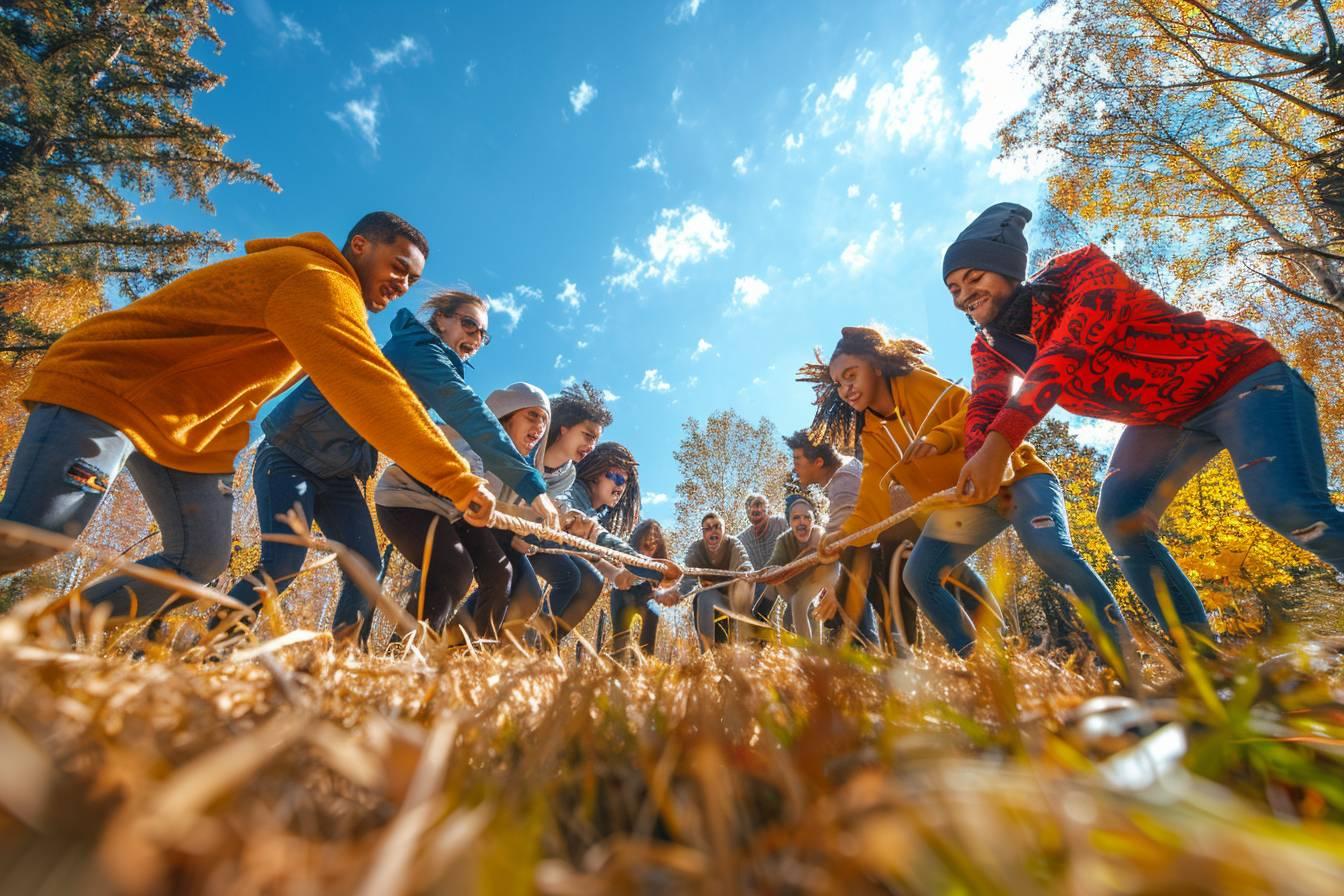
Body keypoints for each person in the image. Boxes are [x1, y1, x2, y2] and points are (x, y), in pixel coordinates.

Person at [0, 212, 494, 627]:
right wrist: (454, 479)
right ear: (360, 246)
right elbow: (370, 387)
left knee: (199, 558)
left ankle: (46, 640)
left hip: (188, 432)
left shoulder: (327, 295)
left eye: (411, 279)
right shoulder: (317, 281)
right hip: (111, 385)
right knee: (34, 532)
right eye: (397, 267)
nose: (402, 285)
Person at [945, 202, 1344, 643]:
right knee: (1121, 518)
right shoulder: (990, 348)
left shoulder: (1080, 271)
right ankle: (1201, 664)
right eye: (954, 289)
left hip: (1239, 377)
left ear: (1006, 269)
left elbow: (1065, 355)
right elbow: (984, 405)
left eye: (973, 279)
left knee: (1287, 506)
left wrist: (1000, 446)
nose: (964, 296)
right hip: (1166, 418)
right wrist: (979, 462)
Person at [230, 288, 557, 640]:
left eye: (482, 334)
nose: (476, 338)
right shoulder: (417, 351)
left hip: (338, 474)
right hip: (291, 453)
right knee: (282, 561)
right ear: (441, 319)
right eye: (468, 324)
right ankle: (215, 644)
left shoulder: (433, 365)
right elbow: (469, 413)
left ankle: (344, 660)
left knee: (365, 569)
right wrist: (532, 486)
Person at [808, 327, 1130, 661]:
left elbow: (979, 409)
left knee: (1053, 551)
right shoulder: (873, 437)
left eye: (851, 375)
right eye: (839, 383)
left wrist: (941, 437)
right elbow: (871, 506)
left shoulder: (918, 383)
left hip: (1016, 480)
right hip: (967, 505)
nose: (845, 389)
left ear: (875, 365)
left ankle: (1122, 654)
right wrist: (842, 538)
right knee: (919, 575)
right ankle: (981, 664)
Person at [780, 429, 995, 650]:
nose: (794, 467)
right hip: (907, 534)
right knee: (940, 577)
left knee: (868, 578)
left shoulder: (843, 482)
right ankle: (987, 634)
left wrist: (837, 585)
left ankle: (896, 650)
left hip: (910, 532)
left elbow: (849, 539)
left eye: (797, 460)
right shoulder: (846, 472)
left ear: (818, 462)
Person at [375, 382, 550, 639]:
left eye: (545, 420)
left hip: (455, 514)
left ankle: (471, 655)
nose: (540, 426)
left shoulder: (514, 468)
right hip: (408, 500)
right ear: (507, 414)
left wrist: (534, 520)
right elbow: (459, 466)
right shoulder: (468, 433)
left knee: (499, 572)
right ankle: (402, 651)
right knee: (454, 569)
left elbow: (500, 509)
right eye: (532, 415)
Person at [678, 511, 754, 649]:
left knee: (729, 644)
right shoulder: (696, 549)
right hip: (708, 603)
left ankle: (747, 651)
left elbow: (744, 563)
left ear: (724, 530)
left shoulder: (733, 544)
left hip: (731, 599)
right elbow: (688, 578)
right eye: (708, 528)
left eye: (717, 526)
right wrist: (677, 594)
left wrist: (746, 573)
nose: (713, 530)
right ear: (703, 533)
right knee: (703, 597)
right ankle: (707, 655)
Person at [608, 518, 680, 660]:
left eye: (654, 544)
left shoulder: (660, 564)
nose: (649, 548)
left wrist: (663, 593)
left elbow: (664, 585)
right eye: (646, 543)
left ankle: (645, 662)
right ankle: (617, 668)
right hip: (622, 595)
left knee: (653, 613)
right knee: (620, 639)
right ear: (638, 541)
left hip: (645, 595)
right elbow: (620, 579)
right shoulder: (626, 553)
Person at [763, 495, 826, 639]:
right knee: (772, 581)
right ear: (790, 523)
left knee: (805, 607)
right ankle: (757, 621)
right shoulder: (784, 540)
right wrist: (764, 573)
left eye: (807, 517)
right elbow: (772, 565)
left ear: (813, 521)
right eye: (796, 518)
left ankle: (814, 650)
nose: (802, 522)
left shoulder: (819, 534)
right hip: (791, 589)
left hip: (814, 591)